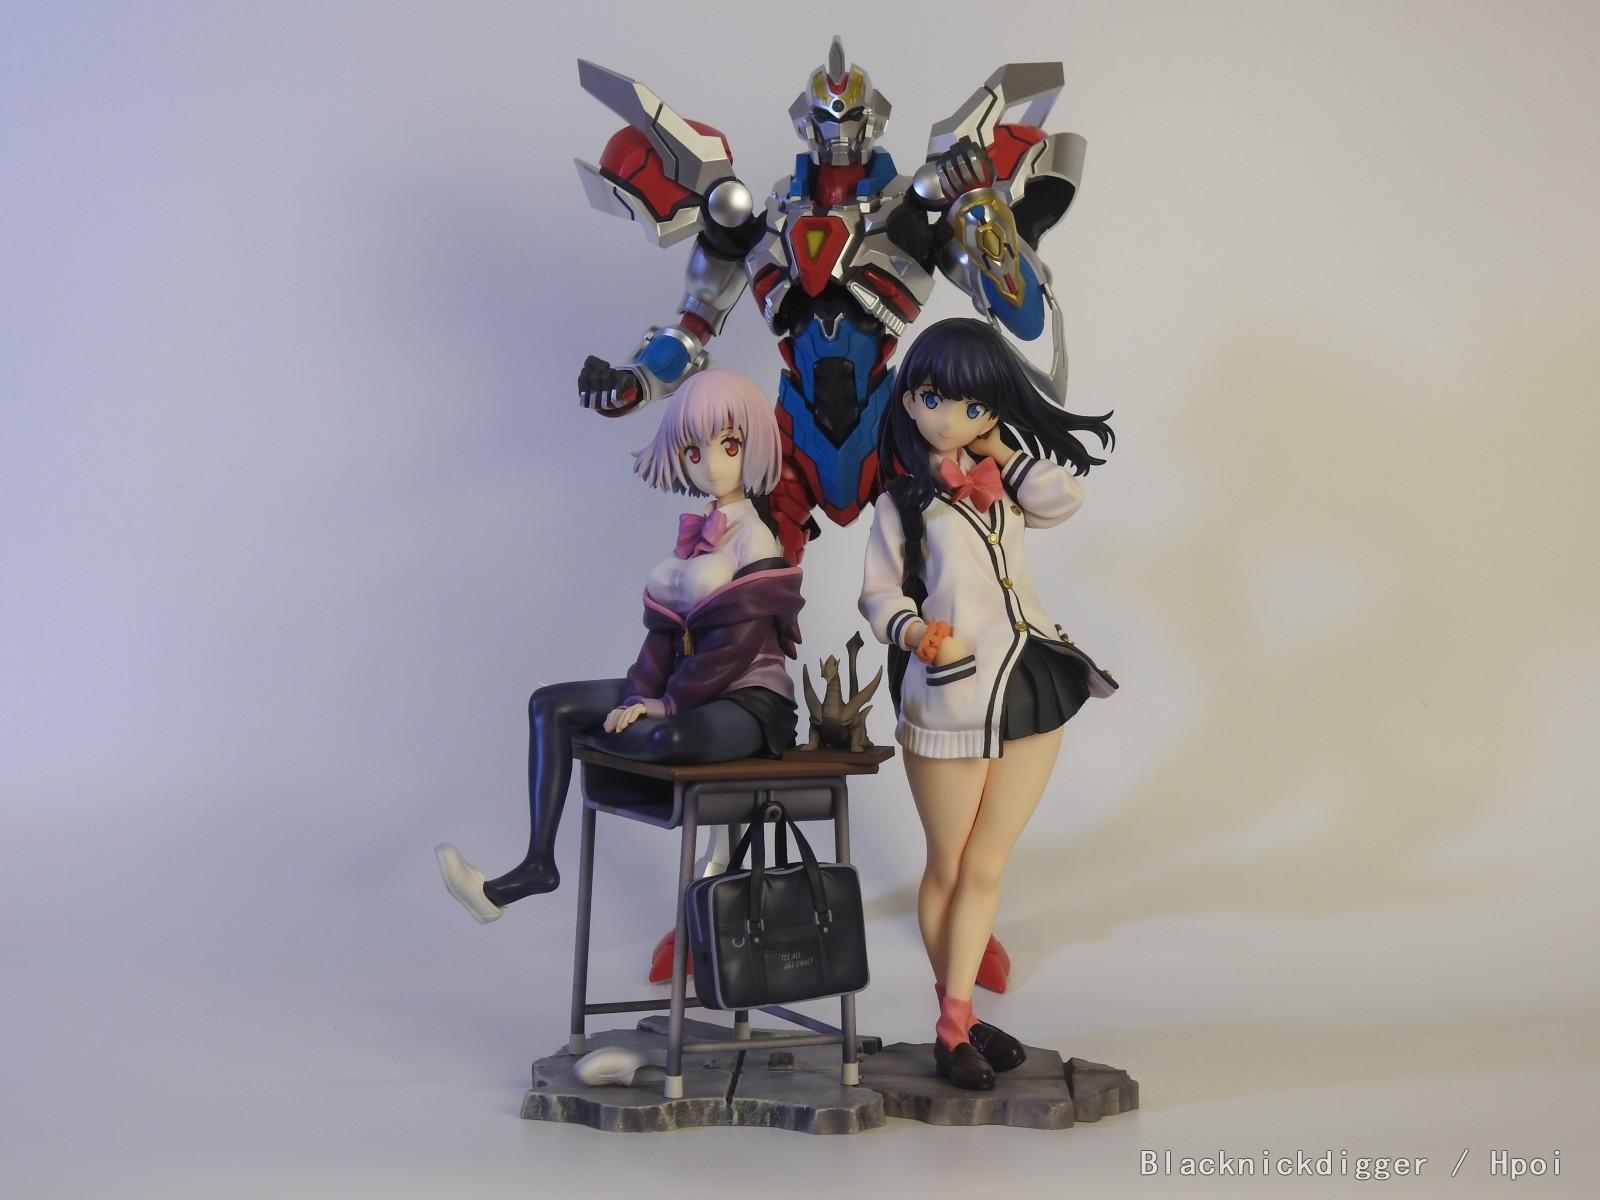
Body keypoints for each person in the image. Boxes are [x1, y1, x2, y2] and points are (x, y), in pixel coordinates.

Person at [438, 369, 802, 923]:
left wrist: (663, 705)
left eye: (728, 444)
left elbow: (734, 647)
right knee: (550, 705)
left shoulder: (756, 538)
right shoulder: (695, 538)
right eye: (694, 451)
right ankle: (536, 866)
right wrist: (638, 695)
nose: (710, 464)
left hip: (745, 698)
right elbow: (662, 637)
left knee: (662, 735)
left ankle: (596, 741)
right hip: (686, 686)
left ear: (751, 444)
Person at [858, 318, 1117, 1089]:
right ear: (909, 400)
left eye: (974, 406)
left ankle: (961, 1018)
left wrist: (999, 448)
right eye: (933, 398)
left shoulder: (1006, 481)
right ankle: (953, 1022)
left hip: (1034, 678)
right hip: (953, 692)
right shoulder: (900, 503)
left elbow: (1064, 497)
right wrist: (912, 631)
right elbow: (876, 594)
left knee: (988, 862)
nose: (950, 418)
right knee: (949, 862)